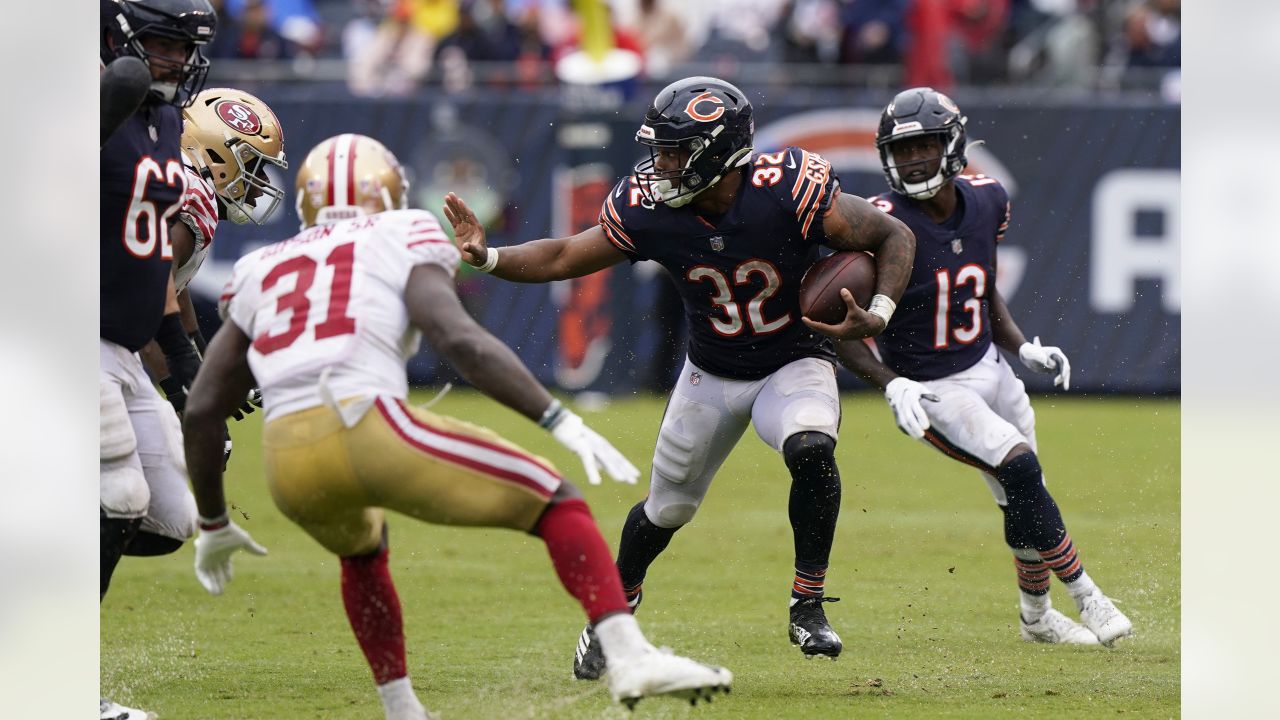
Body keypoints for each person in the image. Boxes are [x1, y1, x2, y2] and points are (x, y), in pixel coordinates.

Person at [181, 133, 734, 719]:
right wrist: (557, 419)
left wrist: (214, 522)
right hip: (364, 425)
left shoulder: (259, 264)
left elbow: (204, 407)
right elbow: (457, 338)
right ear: (387, 189)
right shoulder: (401, 230)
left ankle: (403, 710)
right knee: (558, 503)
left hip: (286, 463)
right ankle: (628, 658)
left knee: (363, 551)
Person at [443, 76, 917, 679]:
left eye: (674, 150)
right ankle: (612, 614)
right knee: (667, 509)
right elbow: (565, 256)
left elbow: (891, 234)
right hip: (711, 372)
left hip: (792, 361)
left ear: (719, 153)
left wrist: (879, 314)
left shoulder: (787, 191)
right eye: (659, 148)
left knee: (812, 445)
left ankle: (808, 602)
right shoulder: (649, 207)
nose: (660, 163)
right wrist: (488, 258)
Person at [823, 86, 1133, 646]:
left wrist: (1021, 347)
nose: (915, 158)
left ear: (955, 143)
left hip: (991, 365)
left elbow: (983, 290)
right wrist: (889, 383)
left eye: (926, 145)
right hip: (934, 389)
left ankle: (1035, 619)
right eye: (904, 148)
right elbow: (832, 323)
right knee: (1018, 469)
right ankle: (1087, 594)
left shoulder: (988, 198)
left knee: (1025, 492)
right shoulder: (879, 223)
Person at [99, 1, 217, 718]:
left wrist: (184, 362)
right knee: (119, 498)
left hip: (125, 344)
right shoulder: (83, 101)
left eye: (184, 46)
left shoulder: (165, 120)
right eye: (165, 43)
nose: (176, 59)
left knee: (170, 513)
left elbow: (149, 263)